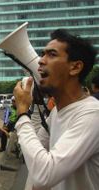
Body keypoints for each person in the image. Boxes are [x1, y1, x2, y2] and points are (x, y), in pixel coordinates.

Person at [13, 29, 99, 190]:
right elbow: (34, 152)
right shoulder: (56, 112)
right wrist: (35, 103)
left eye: (51, 54)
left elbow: (44, 174)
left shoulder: (92, 114)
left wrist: (22, 113)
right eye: (42, 54)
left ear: (75, 67)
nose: (40, 61)